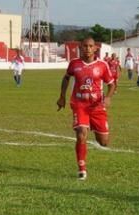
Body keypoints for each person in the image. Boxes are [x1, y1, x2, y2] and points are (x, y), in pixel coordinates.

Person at [56, 37, 115, 181]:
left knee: (104, 142)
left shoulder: (102, 65)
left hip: (97, 107)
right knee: (81, 133)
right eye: (84, 46)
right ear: (80, 47)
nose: (87, 49)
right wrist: (62, 97)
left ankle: (95, 130)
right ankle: (82, 169)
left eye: (90, 46)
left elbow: (111, 84)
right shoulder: (74, 64)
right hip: (79, 104)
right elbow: (66, 78)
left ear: (95, 48)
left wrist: (108, 97)